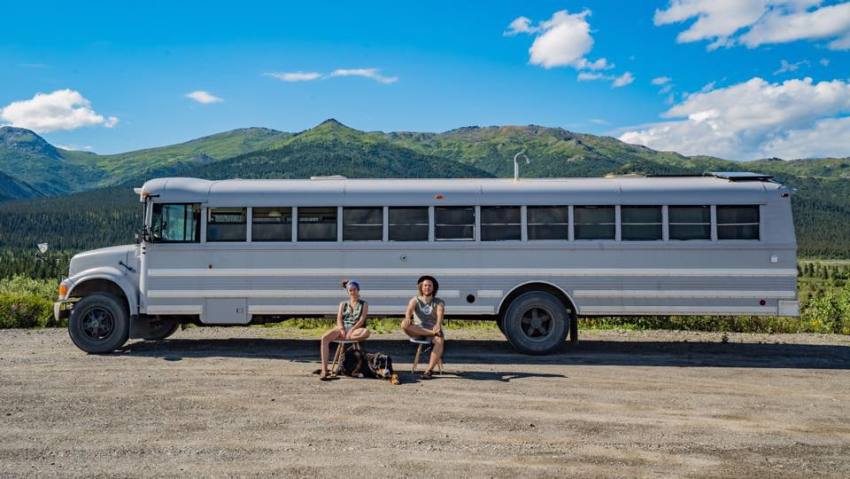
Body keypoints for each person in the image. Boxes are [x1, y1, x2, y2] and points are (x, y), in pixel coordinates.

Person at [319, 280, 370, 380]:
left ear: (358, 290)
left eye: (354, 290)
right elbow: (339, 318)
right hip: (342, 327)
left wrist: (352, 330)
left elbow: (362, 319)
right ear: (348, 292)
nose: (352, 292)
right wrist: (342, 329)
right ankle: (324, 370)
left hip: (355, 329)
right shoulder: (343, 304)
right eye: (350, 290)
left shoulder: (364, 304)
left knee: (366, 332)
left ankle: (349, 338)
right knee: (324, 338)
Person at [401, 275, 445, 379]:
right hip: (418, 329)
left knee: (439, 340)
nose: (427, 287)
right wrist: (408, 318)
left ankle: (428, 371)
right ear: (421, 287)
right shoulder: (415, 299)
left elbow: (440, 312)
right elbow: (409, 310)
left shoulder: (438, 301)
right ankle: (432, 333)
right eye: (425, 285)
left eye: (430, 286)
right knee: (404, 324)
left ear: (433, 288)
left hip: (432, 328)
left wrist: (438, 324)